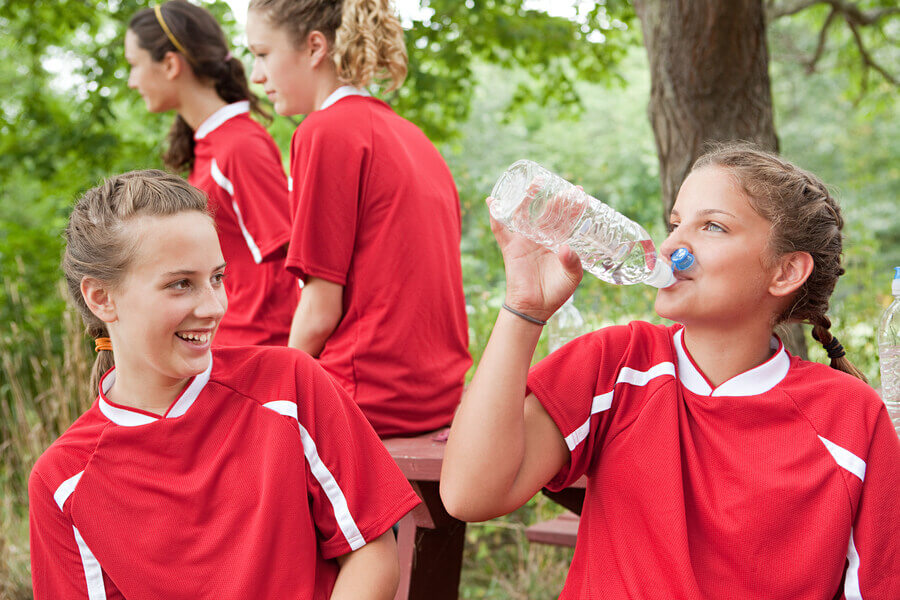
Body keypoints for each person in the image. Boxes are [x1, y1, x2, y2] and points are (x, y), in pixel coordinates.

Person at [440, 144, 900, 599]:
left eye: (713, 226)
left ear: (785, 272)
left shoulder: (850, 417)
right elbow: (469, 495)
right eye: (676, 224)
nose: (673, 245)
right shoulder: (617, 364)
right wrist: (524, 307)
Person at [29, 170, 420, 600]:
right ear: (101, 298)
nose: (214, 307)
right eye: (181, 284)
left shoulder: (290, 385)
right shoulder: (62, 480)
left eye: (217, 277)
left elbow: (372, 553)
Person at [245, 0, 471, 437]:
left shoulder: (324, 132)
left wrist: (274, 397)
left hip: (368, 399)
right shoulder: (412, 136)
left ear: (314, 48)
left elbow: (319, 311)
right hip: (437, 396)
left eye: (262, 54)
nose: (257, 76)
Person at [125, 0, 297, 347]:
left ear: (170, 64)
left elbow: (296, 264)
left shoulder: (239, 146)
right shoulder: (209, 145)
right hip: (225, 351)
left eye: (134, 65)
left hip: (259, 358)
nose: (132, 81)